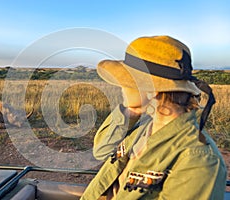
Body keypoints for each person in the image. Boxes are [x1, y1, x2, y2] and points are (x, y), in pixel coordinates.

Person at [81, 35, 227, 200]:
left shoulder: (198, 161)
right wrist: (132, 112)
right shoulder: (144, 127)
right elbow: (102, 151)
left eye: (127, 81)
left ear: (153, 90)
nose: (121, 87)